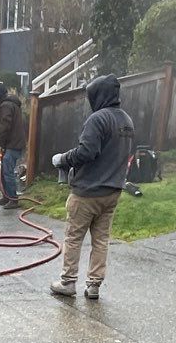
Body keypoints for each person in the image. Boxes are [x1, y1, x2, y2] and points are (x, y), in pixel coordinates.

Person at [49, 74, 135, 301]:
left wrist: (62, 159)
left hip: (87, 192)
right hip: (112, 191)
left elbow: (86, 152)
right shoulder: (126, 120)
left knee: (74, 236)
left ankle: (67, 282)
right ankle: (94, 285)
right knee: (100, 239)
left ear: (99, 96)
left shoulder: (98, 119)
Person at [0, 81, 27, 208]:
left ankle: (12, 199)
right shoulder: (13, 104)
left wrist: (2, 143)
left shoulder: (6, 106)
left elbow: (5, 127)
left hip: (12, 144)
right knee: (5, 170)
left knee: (7, 171)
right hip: (16, 143)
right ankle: (6, 197)